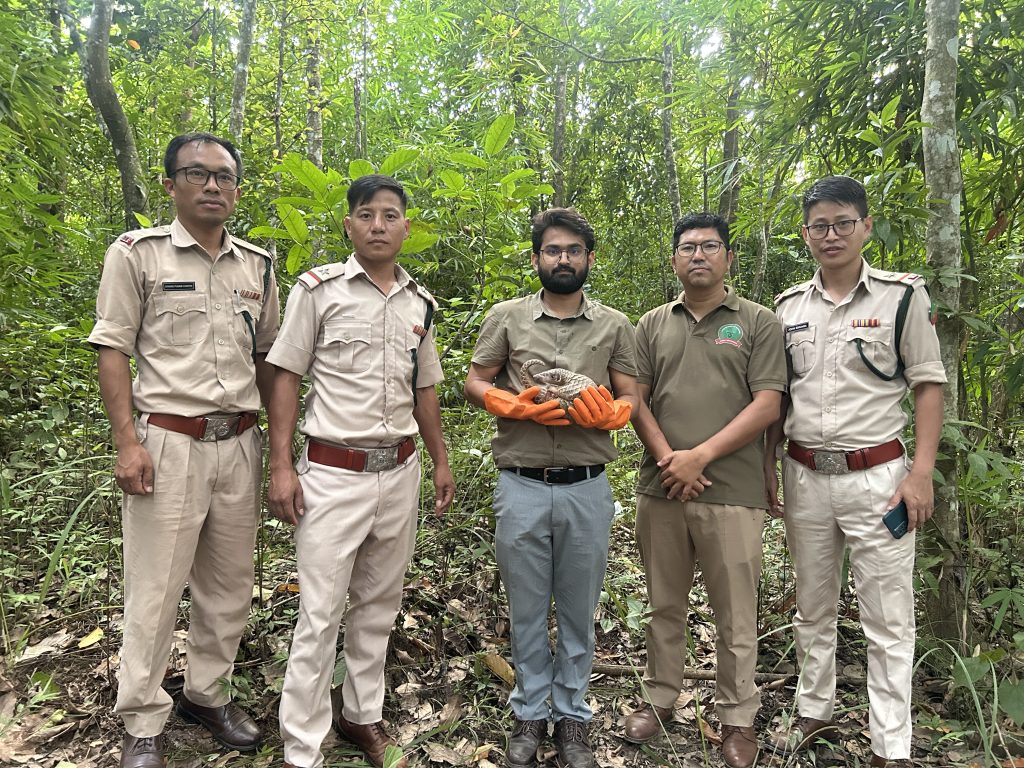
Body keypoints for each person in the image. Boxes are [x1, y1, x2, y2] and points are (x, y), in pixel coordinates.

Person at [89, 132, 279, 768]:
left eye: (224, 177)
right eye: (197, 175)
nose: (212, 186)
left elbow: (271, 360)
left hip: (240, 443)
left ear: (237, 189)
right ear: (171, 185)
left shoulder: (255, 266)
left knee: (227, 584)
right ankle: (141, 717)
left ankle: (206, 693)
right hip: (169, 441)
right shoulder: (137, 256)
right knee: (156, 586)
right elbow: (113, 348)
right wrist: (127, 443)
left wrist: (278, 452)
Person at [267, 174, 455, 768]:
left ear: (406, 226)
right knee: (321, 610)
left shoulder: (418, 302)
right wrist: (280, 466)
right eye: (367, 215)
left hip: (399, 472)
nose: (379, 224)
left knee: (379, 602)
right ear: (349, 225)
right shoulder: (318, 292)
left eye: (391, 215)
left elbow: (424, 389)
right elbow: (287, 377)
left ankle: (361, 715)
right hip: (332, 471)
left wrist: (442, 460)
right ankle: (302, 743)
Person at [764, 176, 945, 767]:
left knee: (887, 613)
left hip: (880, 478)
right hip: (805, 474)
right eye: (819, 226)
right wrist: (770, 465)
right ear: (805, 235)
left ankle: (890, 743)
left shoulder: (900, 298)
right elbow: (779, 398)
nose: (832, 235)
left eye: (843, 222)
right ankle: (813, 711)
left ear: (866, 226)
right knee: (811, 605)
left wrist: (920, 473)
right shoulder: (788, 308)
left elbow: (928, 386)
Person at [463, 208, 639, 768]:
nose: (563, 259)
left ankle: (572, 717)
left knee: (580, 606)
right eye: (552, 250)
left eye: (573, 251)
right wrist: (505, 403)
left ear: (589, 258)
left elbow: (631, 393)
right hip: (521, 484)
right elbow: (475, 378)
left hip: (587, 486)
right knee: (527, 607)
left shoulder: (614, 325)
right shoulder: (507, 317)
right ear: (537, 258)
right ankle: (529, 712)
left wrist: (617, 412)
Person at [623, 213, 785, 768]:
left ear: (728, 257)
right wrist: (671, 459)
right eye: (687, 247)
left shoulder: (759, 322)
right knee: (663, 603)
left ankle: (737, 718)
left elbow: (768, 403)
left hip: (732, 489)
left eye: (710, 246)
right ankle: (660, 698)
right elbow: (634, 399)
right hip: (660, 486)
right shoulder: (649, 325)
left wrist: (701, 456)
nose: (698, 255)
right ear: (674, 259)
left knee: (735, 614)